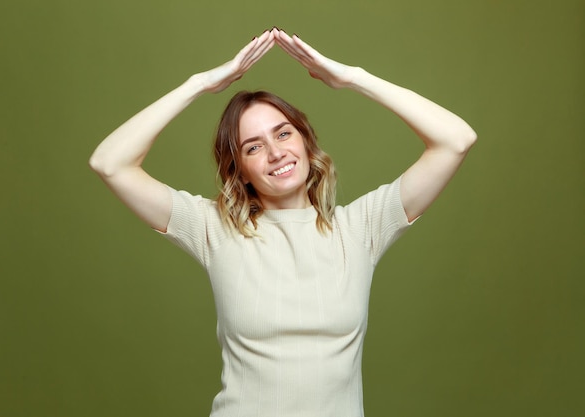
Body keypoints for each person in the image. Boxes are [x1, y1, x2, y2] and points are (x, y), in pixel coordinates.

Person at [90, 28, 476, 417]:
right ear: (239, 170)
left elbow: (455, 139)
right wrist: (200, 84)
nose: (276, 153)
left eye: (283, 133)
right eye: (253, 147)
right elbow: (110, 162)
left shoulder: (361, 228)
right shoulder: (214, 229)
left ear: (306, 143)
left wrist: (354, 78)